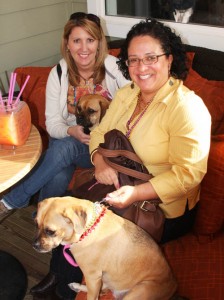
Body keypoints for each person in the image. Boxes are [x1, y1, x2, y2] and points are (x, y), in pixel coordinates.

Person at [0, 12, 129, 300]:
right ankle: (49, 238)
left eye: (90, 40)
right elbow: (53, 124)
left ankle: (12, 200)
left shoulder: (114, 69)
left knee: (63, 150)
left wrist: (94, 138)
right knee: (60, 165)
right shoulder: (59, 73)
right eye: (76, 41)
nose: (84, 48)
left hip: (105, 148)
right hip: (71, 144)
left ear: (99, 43)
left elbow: (129, 112)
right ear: (67, 44)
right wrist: (72, 132)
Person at [90, 18, 211, 245]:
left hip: (161, 209)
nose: (141, 68)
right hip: (119, 187)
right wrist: (99, 161)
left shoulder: (186, 107)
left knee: (92, 235)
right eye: (133, 60)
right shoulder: (126, 93)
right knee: (70, 216)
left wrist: (135, 194)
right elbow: (99, 133)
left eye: (151, 58)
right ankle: (59, 278)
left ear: (169, 59)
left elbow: (187, 175)